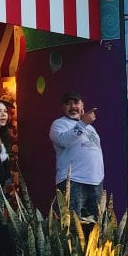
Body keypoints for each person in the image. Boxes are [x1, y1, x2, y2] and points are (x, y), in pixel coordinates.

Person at [49, 91, 104, 220]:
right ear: (63, 108)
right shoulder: (58, 124)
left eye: (76, 102)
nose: (72, 106)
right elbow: (63, 141)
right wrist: (82, 123)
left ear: (82, 105)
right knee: (73, 227)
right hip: (73, 181)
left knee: (95, 227)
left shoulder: (90, 128)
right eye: (68, 104)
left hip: (95, 181)